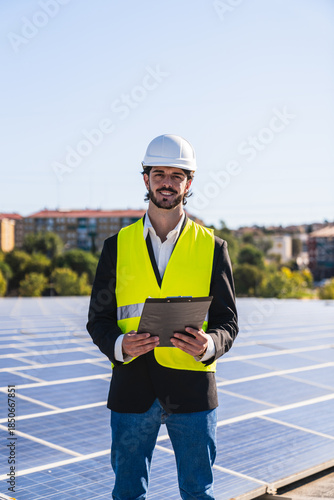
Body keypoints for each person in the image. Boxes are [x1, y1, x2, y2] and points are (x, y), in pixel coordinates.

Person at [86, 134, 238, 500]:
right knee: (127, 494)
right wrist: (121, 345)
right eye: (159, 174)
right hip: (132, 387)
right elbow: (98, 320)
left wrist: (209, 345)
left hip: (192, 390)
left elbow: (228, 322)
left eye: (176, 175)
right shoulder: (116, 247)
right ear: (146, 179)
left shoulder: (213, 247)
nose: (167, 182)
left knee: (198, 493)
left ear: (188, 183)